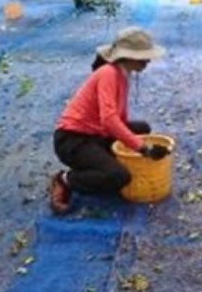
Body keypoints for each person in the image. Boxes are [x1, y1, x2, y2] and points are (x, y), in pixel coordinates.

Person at [48, 26, 171, 214]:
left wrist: (130, 144)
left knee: (142, 128)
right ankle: (65, 180)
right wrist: (142, 148)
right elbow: (109, 120)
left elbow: (120, 118)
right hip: (73, 139)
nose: (148, 60)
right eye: (143, 56)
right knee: (119, 176)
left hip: (96, 133)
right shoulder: (109, 73)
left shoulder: (122, 74)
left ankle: (104, 161)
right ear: (128, 56)